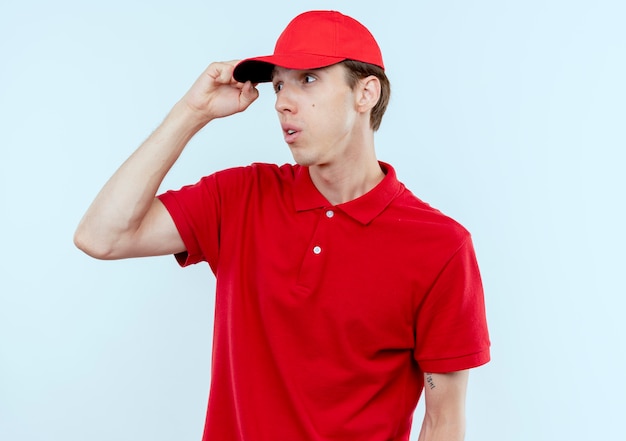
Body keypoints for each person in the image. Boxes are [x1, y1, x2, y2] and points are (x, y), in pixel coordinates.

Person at [74, 10, 490, 441]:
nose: (282, 103)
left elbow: (443, 421)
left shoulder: (440, 246)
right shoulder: (239, 197)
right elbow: (101, 236)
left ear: (366, 92)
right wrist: (192, 111)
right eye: (278, 85)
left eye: (308, 80)